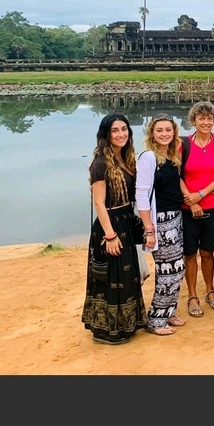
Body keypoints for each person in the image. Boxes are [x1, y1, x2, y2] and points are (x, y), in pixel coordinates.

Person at [82, 113, 148, 345]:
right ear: (106, 134)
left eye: (124, 129)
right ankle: (109, 331)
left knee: (128, 275)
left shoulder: (125, 158)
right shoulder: (101, 163)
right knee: (112, 277)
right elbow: (99, 202)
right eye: (115, 130)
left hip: (126, 220)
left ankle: (130, 322)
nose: (120, 134)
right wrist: (110, 236)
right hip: (109, 224)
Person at [136, 114, 187, 335]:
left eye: (168, 130)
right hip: (160, 221)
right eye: (160, 130)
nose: (165, 134)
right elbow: (141, 194)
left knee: (178, 268)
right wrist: (149, 229)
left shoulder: (171, 156)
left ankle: (168, 311)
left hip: (175, 218)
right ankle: (156, 319)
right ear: (152, 134)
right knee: (168, 271)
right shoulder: (148, 157)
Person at [181, 101, 214, 315]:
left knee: (208, 251)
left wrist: (200, 195)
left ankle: (210, 290)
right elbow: (177, 175)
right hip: (187, 206)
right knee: (190, 253)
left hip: (213, 203)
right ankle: (192, 295)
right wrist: (190, 200)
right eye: (201, 118)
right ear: (194, 120)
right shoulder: (182, 144)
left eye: (209, 118)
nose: (206, 122)